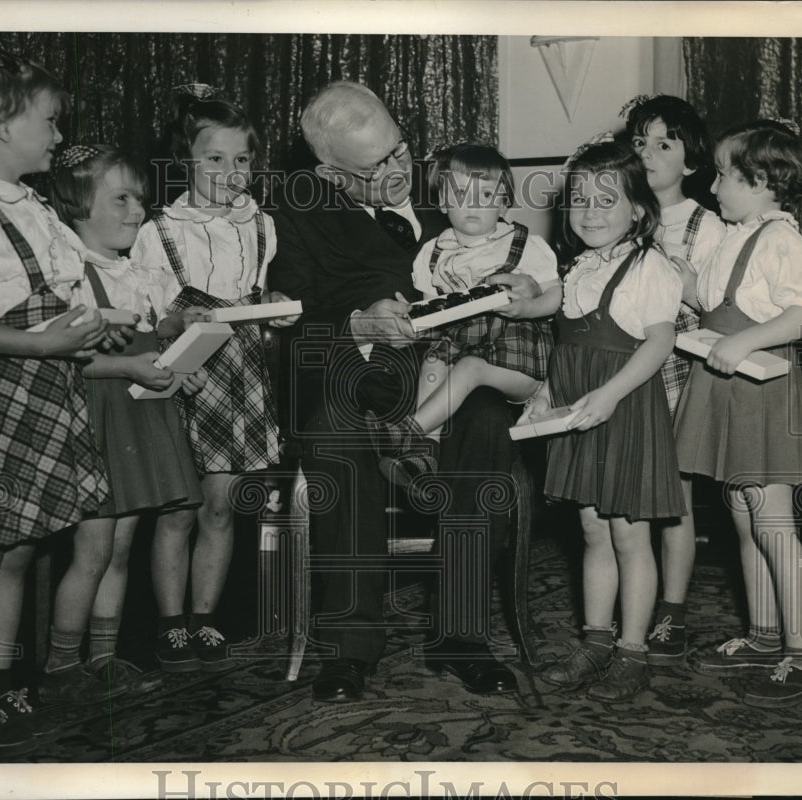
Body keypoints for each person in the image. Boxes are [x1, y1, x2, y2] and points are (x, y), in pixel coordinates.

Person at [268, 81, 542, 703]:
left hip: (447, 375)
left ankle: (462, 635)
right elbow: (286, 321)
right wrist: (358, 321)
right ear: (331, 174)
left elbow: (510, 259)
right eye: (376, 165)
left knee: (485, 415)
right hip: (354, 374)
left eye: (401, 151)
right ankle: (349, 646)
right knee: (334, 431)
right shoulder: (301, 220)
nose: (398, 170)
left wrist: (524, 289)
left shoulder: (450, 202)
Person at [0, 47, 111, 755]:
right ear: (2, 125)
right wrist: (41, 345)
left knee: (17, 551)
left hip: (48, 393)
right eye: (50, 122)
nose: (59, 136)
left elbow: (58, 306)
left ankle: (1, 682)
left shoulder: (33, 208)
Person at [131, 84, 298, 672]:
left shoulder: (260, 224)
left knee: (222, 505)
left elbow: (255, 294)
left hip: (242, 369)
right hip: (184, 367)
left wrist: (272, 301)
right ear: (186, 161)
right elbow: (146, 313)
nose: (232, 172)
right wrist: (177, 320)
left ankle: (205, 618)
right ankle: (170, 622)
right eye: (215, 159)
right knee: (178, 507)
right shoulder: (161, 231)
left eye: (243, 159)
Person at [520, 140, 684, 703]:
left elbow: (660, 341)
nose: (589, 211)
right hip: (578, 411)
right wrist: (545, 393)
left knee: (629, 536)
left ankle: (632, 651)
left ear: (638, 208)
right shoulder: (581, 267)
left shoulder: (650, 266)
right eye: (579, 199)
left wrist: (612, 394)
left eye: (605, 199)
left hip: (623, 409)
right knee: (592, 530)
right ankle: (595, 640)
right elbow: (567, 348)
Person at [39, 144, 204, 700]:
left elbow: (157, 343)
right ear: (78, 208)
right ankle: (61, 667)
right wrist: (131, 364)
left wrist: (178, 347)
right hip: (101, 422)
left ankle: (104, 657)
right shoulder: (73, 278)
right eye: (122, 199)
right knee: (92, 551)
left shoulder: (142, 276)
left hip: (142, 418)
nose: (138, 211)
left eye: (141, 199)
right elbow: (72, 360)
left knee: (122, 545)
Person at [674, 120, 802, 708]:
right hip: (725, 388)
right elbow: (716, 304)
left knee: (773, 525)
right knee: (743, 517)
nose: (714, 188)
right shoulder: (737, 235)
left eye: (723, 176)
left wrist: (745, 342)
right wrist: (686, 284)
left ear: (760, 181)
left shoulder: (786, 243)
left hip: (761, 391)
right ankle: (764, 636)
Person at [367, 142, 562, 486]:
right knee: (432, 362)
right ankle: (423, 453)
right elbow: (433, 314)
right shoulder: (432, 252)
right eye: (460, 193)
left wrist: (527, 307)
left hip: (518, 362)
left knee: (469, 368)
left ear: (504, 202)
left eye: (486, 195)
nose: (473, 203)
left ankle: (404, 434)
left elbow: (556, 295)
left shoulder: (524, 244)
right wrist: (412, 316)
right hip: (460, 348)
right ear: (442, 200)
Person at [624, 95, 727, 665]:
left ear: (691, 162)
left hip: (680, 372)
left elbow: (724, 309)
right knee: (629, 494)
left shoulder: (706, 225)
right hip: (625, 368)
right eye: (639, 142)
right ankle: (629, 597)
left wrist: (690, 289)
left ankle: (672, 608)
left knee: (675, 499)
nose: (647, 153)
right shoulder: (621, 213)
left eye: (663, 143)